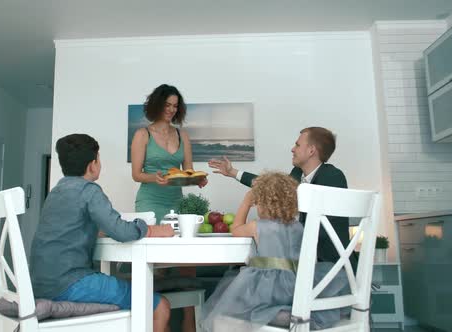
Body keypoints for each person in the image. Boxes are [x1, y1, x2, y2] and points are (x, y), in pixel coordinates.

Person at [29, 133, 175, 332]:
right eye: (99, 158)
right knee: (159, 306)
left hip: (40, 285)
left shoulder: (56, 192)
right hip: (70, 284)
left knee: (129, 288)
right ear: (92, 165)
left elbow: (69, 230)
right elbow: (121, 231)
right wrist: (152, 229)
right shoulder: (89, 190)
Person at [201, 172, 347, 331]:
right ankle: (289, 314)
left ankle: (276, 315)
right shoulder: (298, 227)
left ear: (262, 203)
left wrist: (245, 203)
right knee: (280, 304)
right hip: (297, 285)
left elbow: (235, 229)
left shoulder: (258, 226)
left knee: (232, 311)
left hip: (266, 286)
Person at [208, 127, 350, 265]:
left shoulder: (332, 176)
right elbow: (271, 186)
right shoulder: (297, 172)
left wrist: (274, 232)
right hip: (303, 260)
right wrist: (233, 172)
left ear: (311, 150)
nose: (292, 149)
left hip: (328, 264)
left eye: (297, 145)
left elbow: (324, 229)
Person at [131, 84, 207, 223]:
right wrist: (156, 178)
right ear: (157, 105)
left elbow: (188, 171)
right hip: (149, 202)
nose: (172, 109)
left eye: (175, 106)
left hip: (177, 202)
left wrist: (197, 180)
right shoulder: (142, 134)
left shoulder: (182, 135)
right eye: (167, 105)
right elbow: (136, 175)